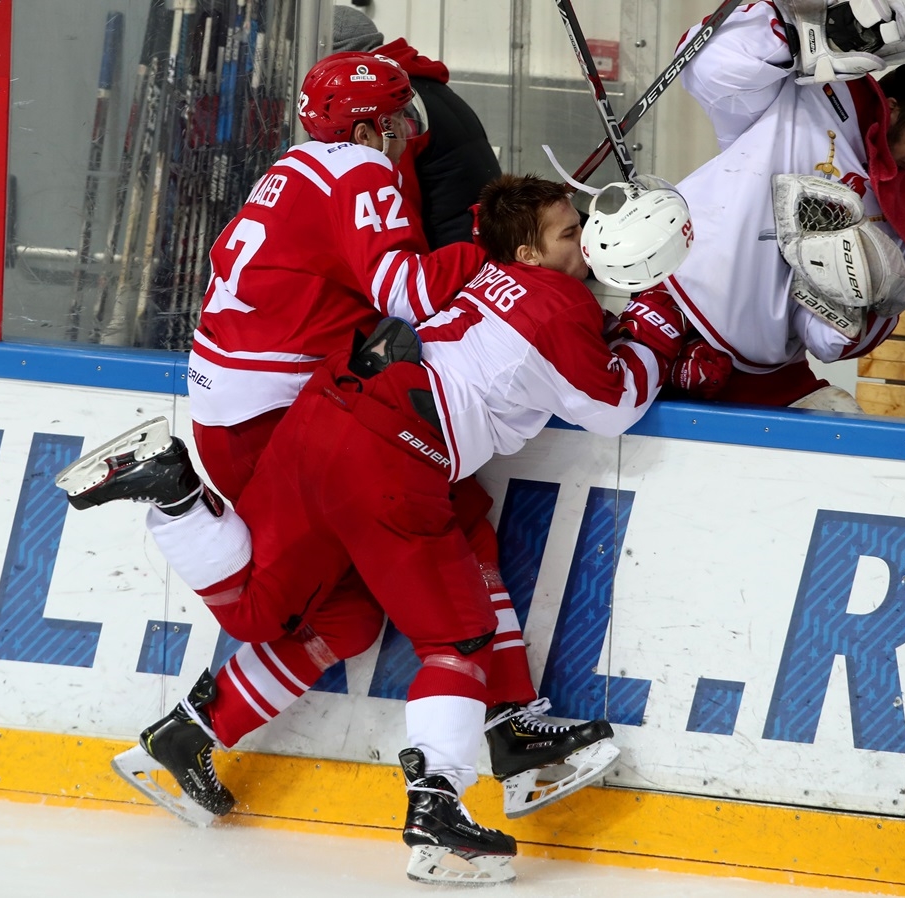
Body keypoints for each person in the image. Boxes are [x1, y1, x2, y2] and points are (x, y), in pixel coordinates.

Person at [55, 172, 692, 883]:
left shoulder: (483, 275)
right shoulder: (557, 299)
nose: (587, 243)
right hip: (394, 457)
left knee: (306, 615)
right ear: (531, 254)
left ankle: (178, 518)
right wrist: (653, 333)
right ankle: (439, 810)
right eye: (571, 232)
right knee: (458, 638)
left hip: (327, 409)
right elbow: (613, 405)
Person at [109, 51, 617, 829]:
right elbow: (404, 290)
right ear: (366, 127)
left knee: (347, 618)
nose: (404, 130)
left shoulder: (297, 166)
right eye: (394, 118)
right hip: (281, 415)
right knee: (293, 597)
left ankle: (189, 735)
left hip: (240, 405)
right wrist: (488, 254)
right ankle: (178, 502)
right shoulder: (361, 169)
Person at [649, 0, 905, 410]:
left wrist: (858, 308)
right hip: (675, 305)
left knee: (845, 422)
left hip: (765, 363)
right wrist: (797, 32)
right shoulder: (811, 91)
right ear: (893, 109)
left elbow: (826, 342)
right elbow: (705, 66)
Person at [330, 5, 502, 248]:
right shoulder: (419, 85)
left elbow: (396, 208)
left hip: (453, 253)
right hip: (482, 239)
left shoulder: (390, 104)